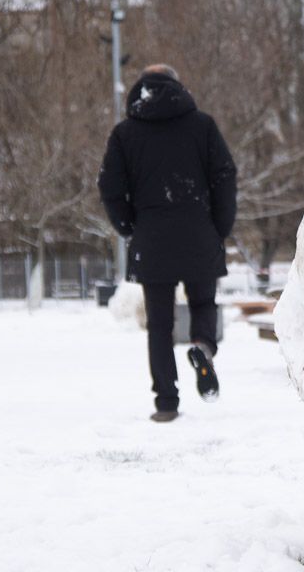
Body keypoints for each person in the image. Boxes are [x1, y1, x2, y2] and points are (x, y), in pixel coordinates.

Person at [98, 64, 237, 422]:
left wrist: (130, 226)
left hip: (152, 237)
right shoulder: (202, 126)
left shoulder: (124, 134)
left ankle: (166, 401)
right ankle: (202, 346)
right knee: (203, 302)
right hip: (198, 232)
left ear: (139, 90)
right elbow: (224, 176)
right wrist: (219, 226)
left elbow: (110, 187)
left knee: (158, 323)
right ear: (178, 86)